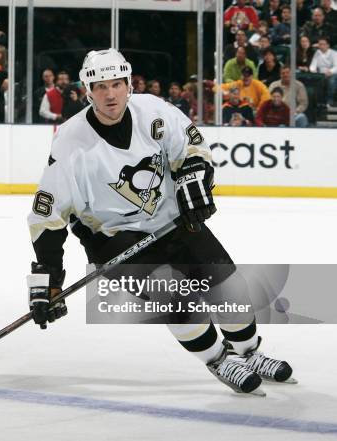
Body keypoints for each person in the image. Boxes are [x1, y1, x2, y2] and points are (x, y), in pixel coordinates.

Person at [26, 48, 294, 395]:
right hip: (114, 238)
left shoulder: (154, 111)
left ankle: (250, 352)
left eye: (117, 84)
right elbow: (48, 213)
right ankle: (218, 359)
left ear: (128, 84)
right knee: (175, 297)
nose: (110, 94)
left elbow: (192, 149)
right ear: (87, 90)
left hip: (172, 221)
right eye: (101, 86)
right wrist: (48, 276)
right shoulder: (70, 141)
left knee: (230, 288)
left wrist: (195, 179)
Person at [310, 37, 337, 106]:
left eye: (323, 44)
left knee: (332, 80)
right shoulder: (317, 52)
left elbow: (336, 66)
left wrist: (330, 71)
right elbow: (313, 65)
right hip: (320, 74)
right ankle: (318, 102)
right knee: (313, 79)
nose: (321, 46)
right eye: (320, 44)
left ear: (328, 45)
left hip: (332, 73)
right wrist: (313, 71)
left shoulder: (334, 53)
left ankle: (329, 100)